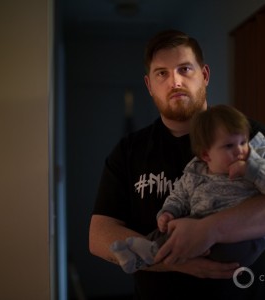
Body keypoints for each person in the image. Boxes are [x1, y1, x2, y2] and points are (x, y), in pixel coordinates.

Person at [89, 29, 265, 299]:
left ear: (204, 75)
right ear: (149, 85)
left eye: (185, 69)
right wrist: (175, 260)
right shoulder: (128, 151)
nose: (175, 81)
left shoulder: (245, 135)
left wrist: (209, 229)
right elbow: (99, 236)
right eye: (162, 73)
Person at [110, 104, 265, 274]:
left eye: (243, 142)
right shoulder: (194, 173)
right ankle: (144, 254)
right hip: (197, 223)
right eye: (229, 146)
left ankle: (164, 252)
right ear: (206, 155)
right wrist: (169, 211)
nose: (240, 151)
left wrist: (252, 171)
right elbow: (180, 195)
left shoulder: (252, 166)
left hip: (240, 238)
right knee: (170, 231)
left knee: (230, 248)